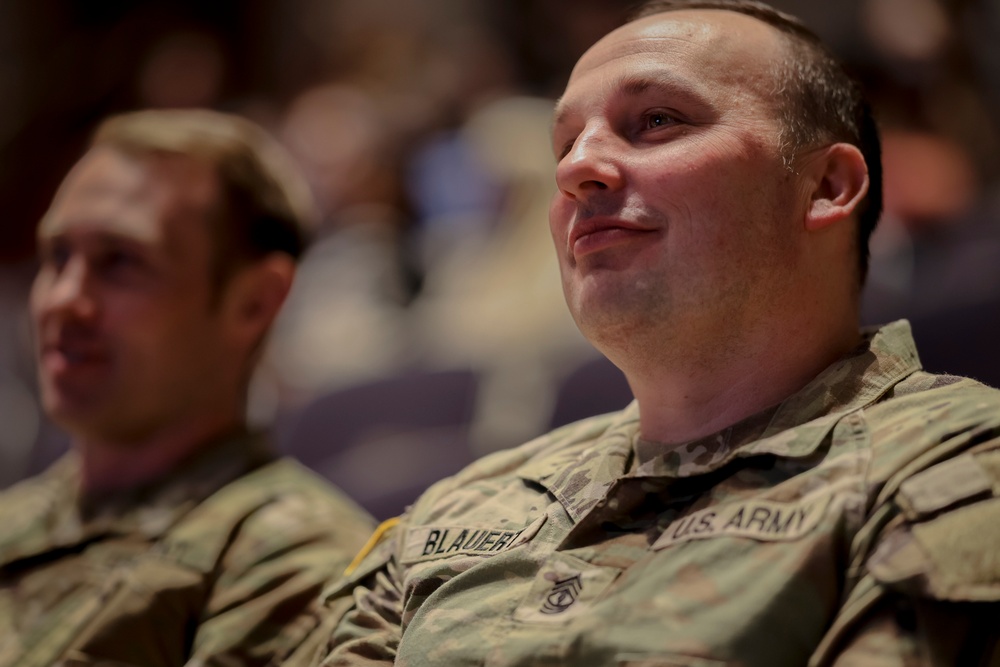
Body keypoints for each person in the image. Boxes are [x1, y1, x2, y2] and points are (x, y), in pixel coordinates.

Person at [301, 1, 1000, 665]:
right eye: (567, 143)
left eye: (658, 120)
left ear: (824, 186)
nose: (576, 168)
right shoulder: (455, 506)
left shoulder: (953, 467)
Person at [0, 109, 375, 665]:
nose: (61, 300)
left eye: (119, 262)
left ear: (253, 303)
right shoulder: (16, 515)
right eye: (57, 257)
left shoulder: (288, 557)